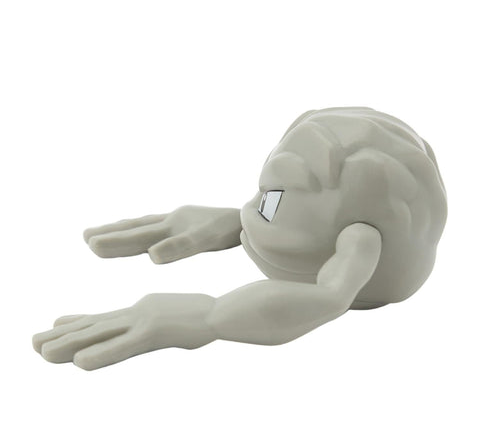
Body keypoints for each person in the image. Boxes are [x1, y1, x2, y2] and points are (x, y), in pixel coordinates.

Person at [32, 107, 447, 370]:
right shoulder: (346, 214)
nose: (257, 208)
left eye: (272, 198)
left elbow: (330, 296)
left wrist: (206, 317)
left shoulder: (361, 242)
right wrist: (237, 222)